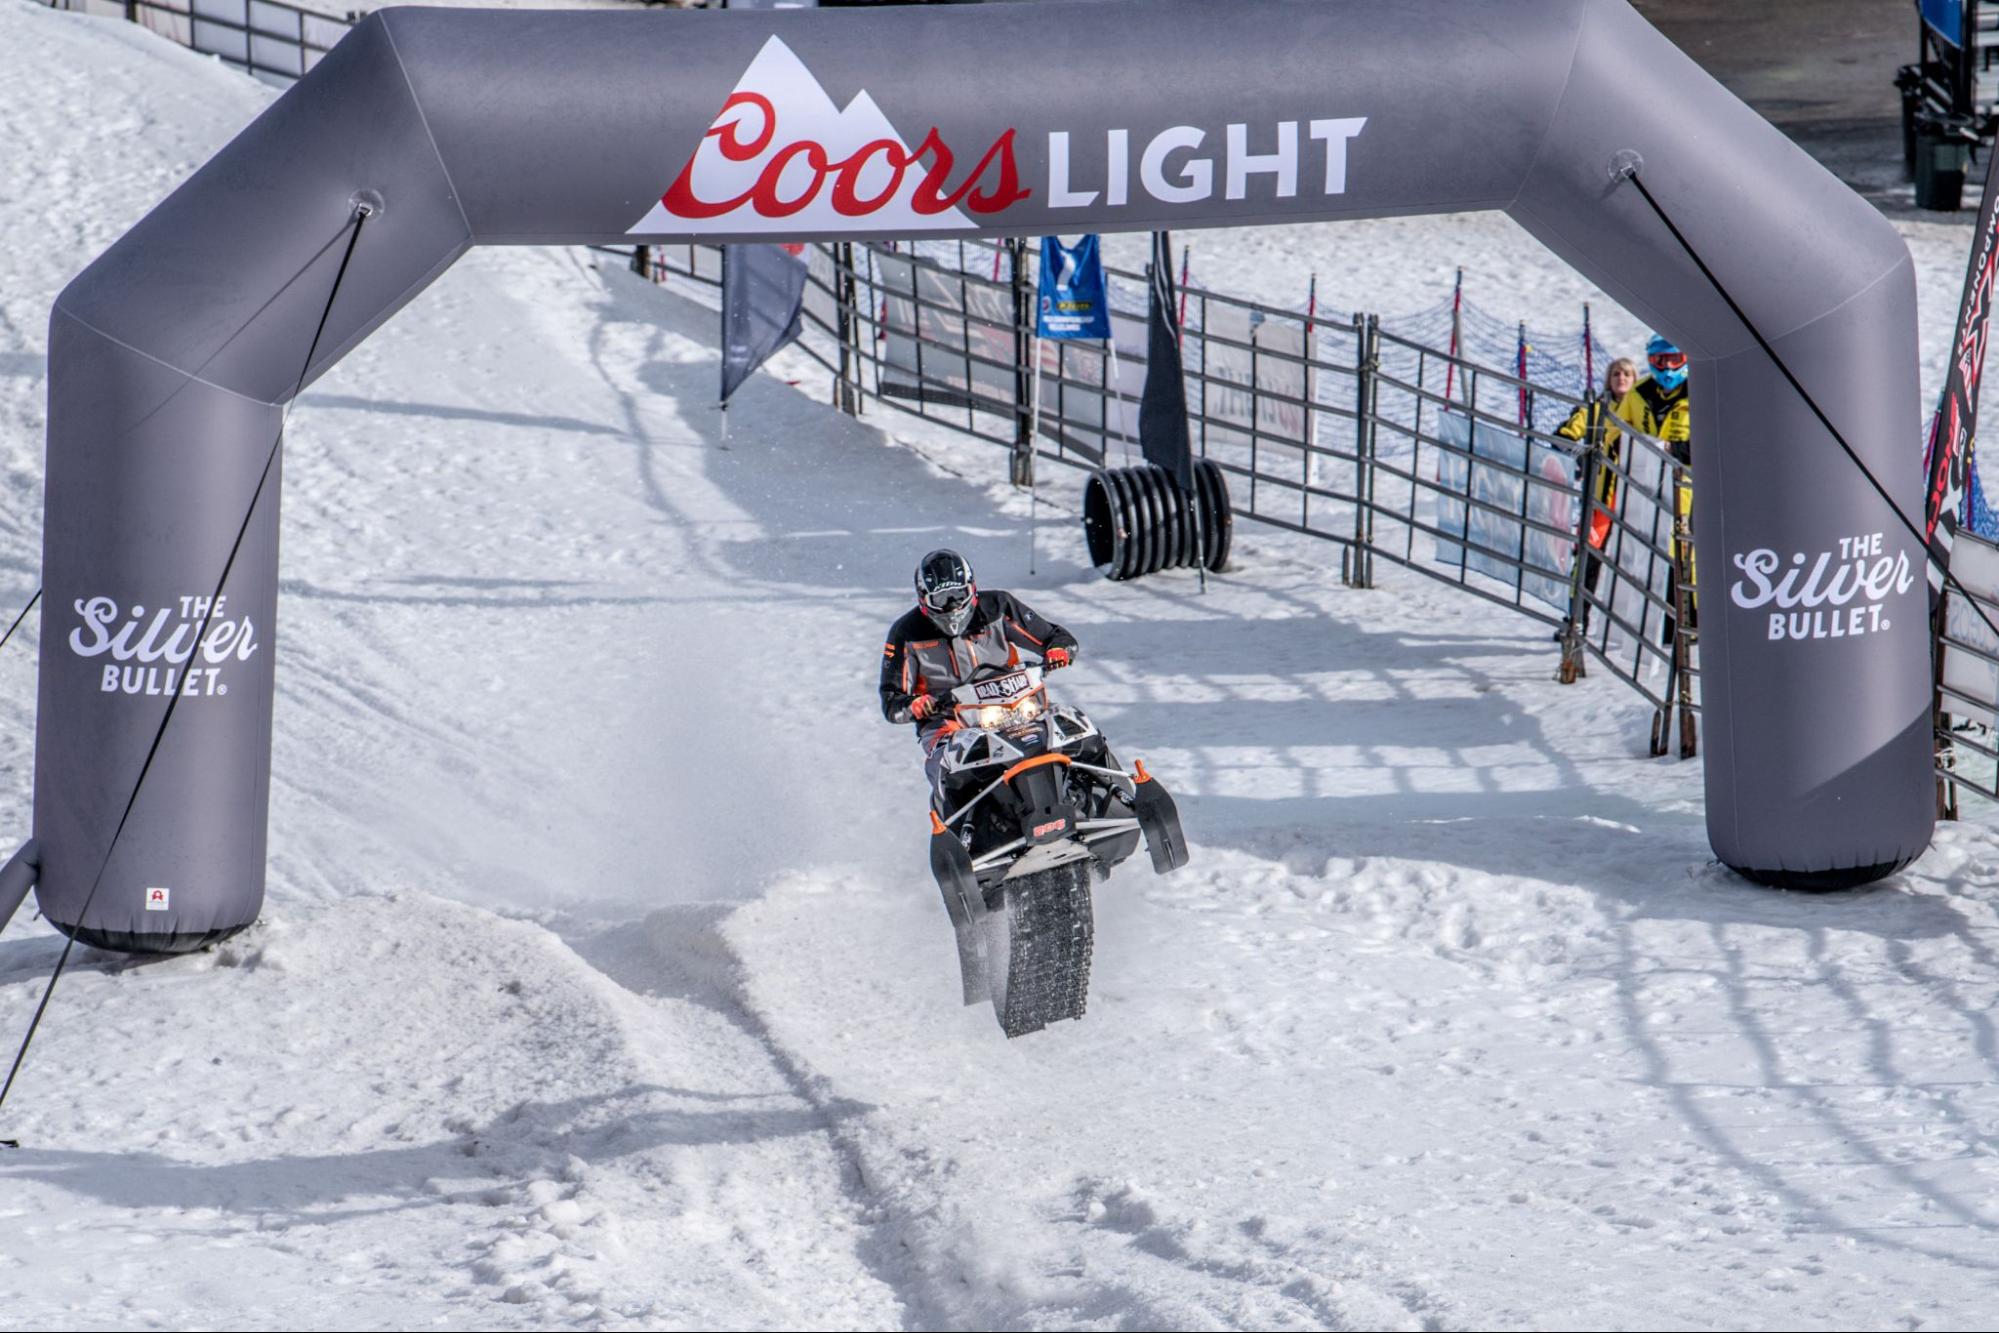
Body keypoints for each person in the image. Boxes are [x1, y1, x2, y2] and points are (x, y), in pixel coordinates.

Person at [879, 549, 1079, 799]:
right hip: (949, 719)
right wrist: (916, 705)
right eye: (942, 599)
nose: (952, 606)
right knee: (948, 763)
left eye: (958, 595)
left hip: (1015, 702)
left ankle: (1115, 789)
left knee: (1072, 725)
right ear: (923, 599)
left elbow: (1054, 636)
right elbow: (891, 700)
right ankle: (965, 825)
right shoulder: (906, 632)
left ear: (972, 589)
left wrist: (1058, 650)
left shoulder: (998, 606)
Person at [1555, 357, 1641, 623]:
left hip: (1637, 497)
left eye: (1627, 374)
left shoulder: (1642, 409)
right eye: (1616, 373)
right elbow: (1563, 436)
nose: (1622, 379)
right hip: (1602, 498)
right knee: (1588, 556)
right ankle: (1577, 618)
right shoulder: (1596, 408)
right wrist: (1582, 456)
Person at [1622, 334, 1695, 642]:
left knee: (1687, 554)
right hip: (1649, 485)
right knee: (1653, 552)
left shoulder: (1699, 390)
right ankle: (1661, 622)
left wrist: (1679, 450)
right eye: (1660, 361)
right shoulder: (1638, 394)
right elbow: (1616, 429)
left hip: (1691, 487)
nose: (1667, 368)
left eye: (1674, 360)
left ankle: (1691, 621)